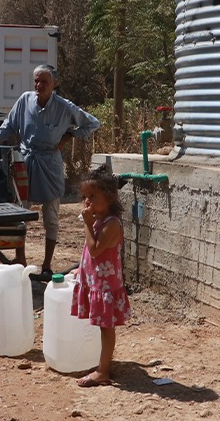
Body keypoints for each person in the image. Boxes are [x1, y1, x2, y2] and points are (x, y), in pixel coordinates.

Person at [0, 64, 99, 279]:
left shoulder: (65, 107)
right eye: (36, 81)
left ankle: (47, 265)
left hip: (50, 164)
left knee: (51, 216)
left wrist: (69, 136)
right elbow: (9, 125)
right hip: (26, 161)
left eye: (44, 81)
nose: (38, 85)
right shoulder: (25, 101)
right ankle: (21, 258)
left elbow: (92, 123)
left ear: (54, 84)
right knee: (21, 213)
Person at [70, 165, 129, 387]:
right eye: (85, 197)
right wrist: (82, 269)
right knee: (102, 327)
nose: (87, 202)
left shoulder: (112, 223)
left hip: (106, 287)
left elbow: (95, 248)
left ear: (110, 196)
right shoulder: (98, 219)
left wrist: (86, 224)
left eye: (93, 197)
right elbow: (90, 254)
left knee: (106, 328)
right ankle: (101, 364)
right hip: (97, 282)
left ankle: (103, 371)